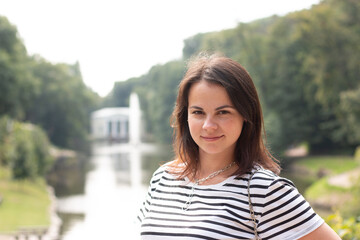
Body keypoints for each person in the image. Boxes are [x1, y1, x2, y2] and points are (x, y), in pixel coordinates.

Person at [137, 53, 340, 239]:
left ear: (246, 115)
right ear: (185, 116)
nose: (209, 126)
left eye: (223, 112)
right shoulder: (162, 178)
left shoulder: (264, 190)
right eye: (198, 112)